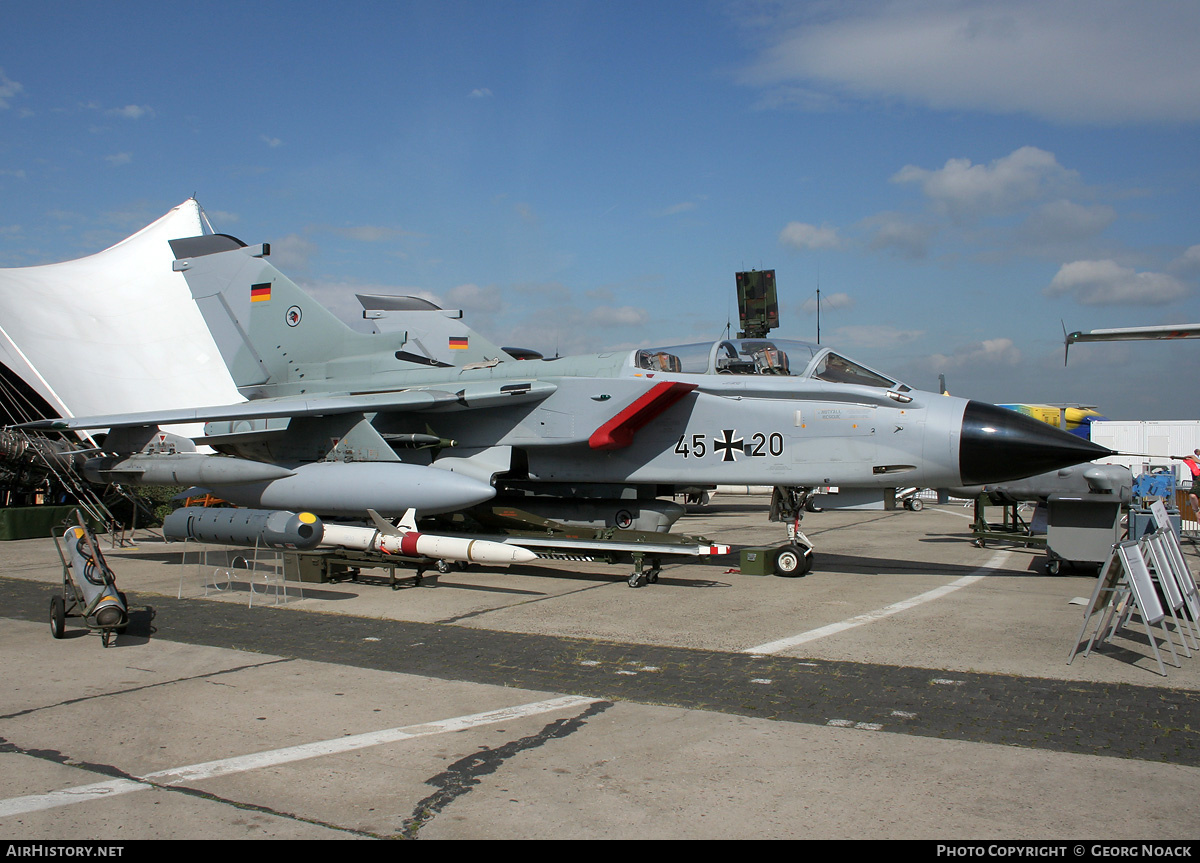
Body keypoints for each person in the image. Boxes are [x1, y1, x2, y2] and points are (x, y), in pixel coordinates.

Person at [1173, 449, 1200, 517]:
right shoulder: (1195, 457)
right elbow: (1189, 457)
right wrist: (1175, 457)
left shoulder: (1196, 459)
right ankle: (1197, 512)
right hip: (1198, 477)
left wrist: (1197, 461)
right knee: (1192, 495)